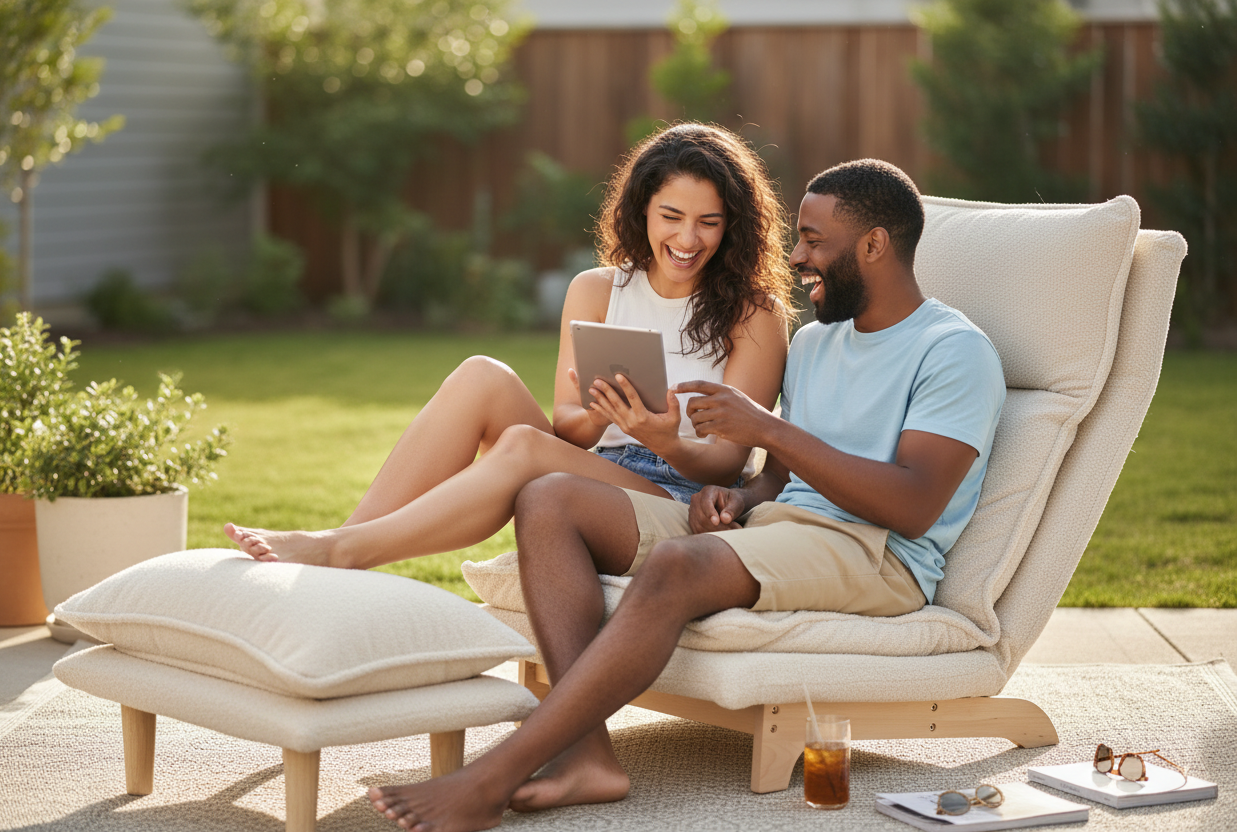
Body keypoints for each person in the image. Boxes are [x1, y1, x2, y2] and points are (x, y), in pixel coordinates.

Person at [364, 159, 1006, 831]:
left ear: (873, 245)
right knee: (549, 498)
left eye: (814, 240)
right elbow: (777, 477)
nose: (796, 256)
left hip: (878, 553)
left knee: (678, 564)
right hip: (779, 527)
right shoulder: (818, 342)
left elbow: (912, 506)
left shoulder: (952, 351)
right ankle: (588, 760)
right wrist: (736, 499)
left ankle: (489, 778)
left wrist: (766, 429)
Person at [223, 123, 795, 569]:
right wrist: (602, 416)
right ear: (643, 207)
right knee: (482, 374)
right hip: (600, 465)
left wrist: (661, 437)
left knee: (523, 445)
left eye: (708, 222)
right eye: (671, 216)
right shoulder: (597, 289)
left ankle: (341, 552)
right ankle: (342, 538)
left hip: (680, 493)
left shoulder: (755, 314)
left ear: (733, 226)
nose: (688, 238)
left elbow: (727, 462)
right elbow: (568, 426)